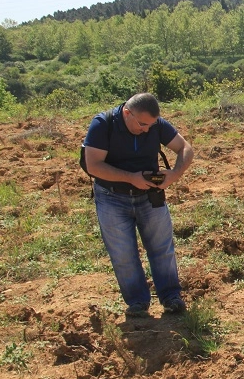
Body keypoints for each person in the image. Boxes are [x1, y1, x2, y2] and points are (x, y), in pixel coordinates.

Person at [82, 93, 194, 317]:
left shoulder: (154, 125)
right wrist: (130, 177)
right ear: (127, 113)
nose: (146, 130)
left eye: (151, 125)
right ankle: (137, 302)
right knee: (123, 253)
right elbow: (92, 165)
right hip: (112, 197)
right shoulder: (103, 124)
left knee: (162, 248)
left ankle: (171, 297)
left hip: (149, 197)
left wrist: (174, 174)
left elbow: (185, 148)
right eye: (142, 124)